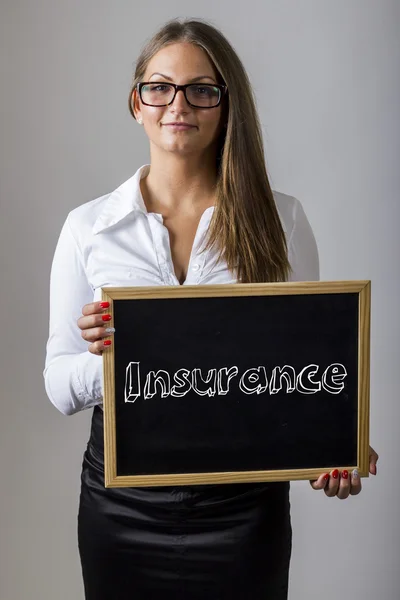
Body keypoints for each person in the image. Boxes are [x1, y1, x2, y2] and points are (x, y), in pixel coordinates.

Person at [43, 17, 378, 600]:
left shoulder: (282, 219)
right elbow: (57, 383)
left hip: (244, 510)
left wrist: (335, 444)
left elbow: (302, 375)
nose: (178, 104)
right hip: (120, 507)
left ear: (227, 105)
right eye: (160, 87)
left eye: (202, 89)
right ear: (136, 103)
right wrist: (113, 358)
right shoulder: (87, 228)